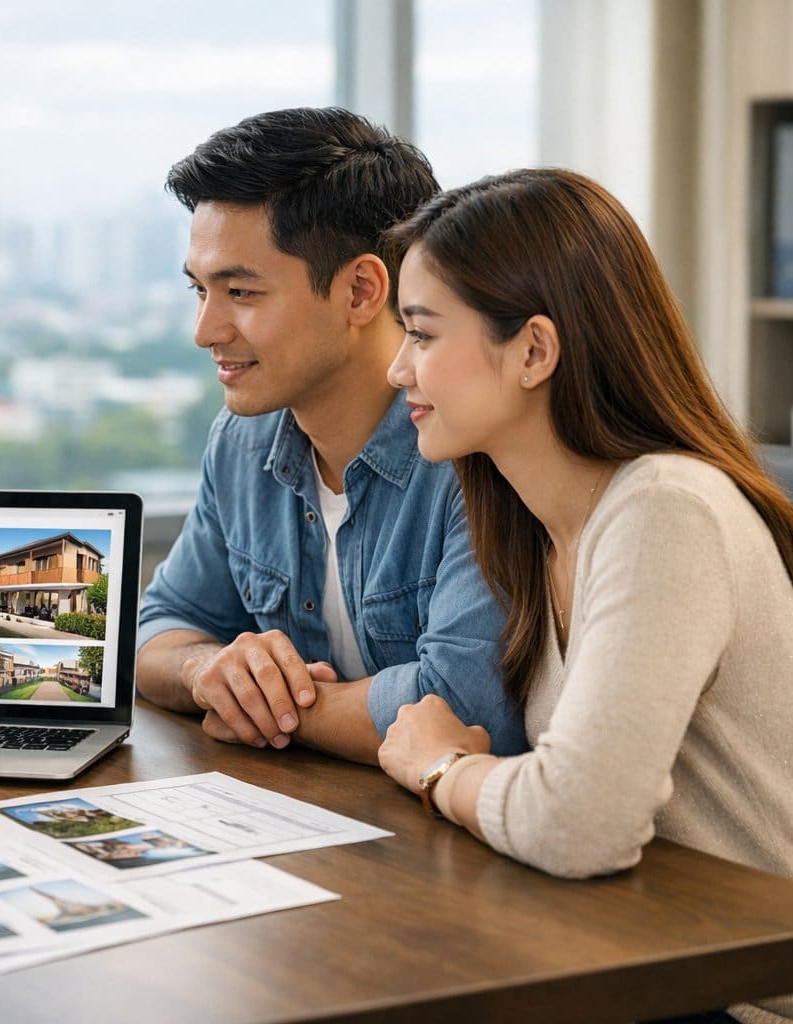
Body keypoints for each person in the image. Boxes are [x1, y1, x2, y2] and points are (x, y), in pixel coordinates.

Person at [378, 167, 793, 1024]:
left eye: (423, 334)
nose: (398, 368)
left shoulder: (665, 509)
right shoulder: (541, 526)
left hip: (759, 1001)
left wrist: (439, 767)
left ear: (535, 351)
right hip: (651, 960)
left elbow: (578, 824)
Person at [137, 107, 524, 762]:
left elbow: (468, 708)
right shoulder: (242, 442)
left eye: (240, 291)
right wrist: (209, 671)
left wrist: (268, 708)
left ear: (361, 291)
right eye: (199, 290)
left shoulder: (478, 450)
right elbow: (156, 632)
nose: (205, 330)